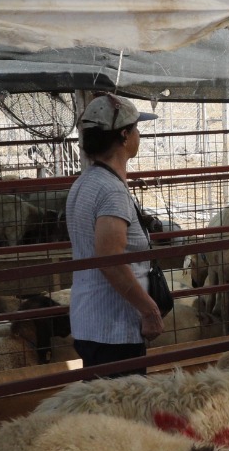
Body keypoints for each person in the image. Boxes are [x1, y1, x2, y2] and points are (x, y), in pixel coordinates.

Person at [66, 93, 164, 372]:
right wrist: (149, 310)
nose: (139, 133)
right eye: (136, 127)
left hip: (92, 322)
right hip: (114, 328)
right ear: (124, 135)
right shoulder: (110, 191)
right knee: (123, 411)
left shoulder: (85, 182)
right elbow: (110, 257)